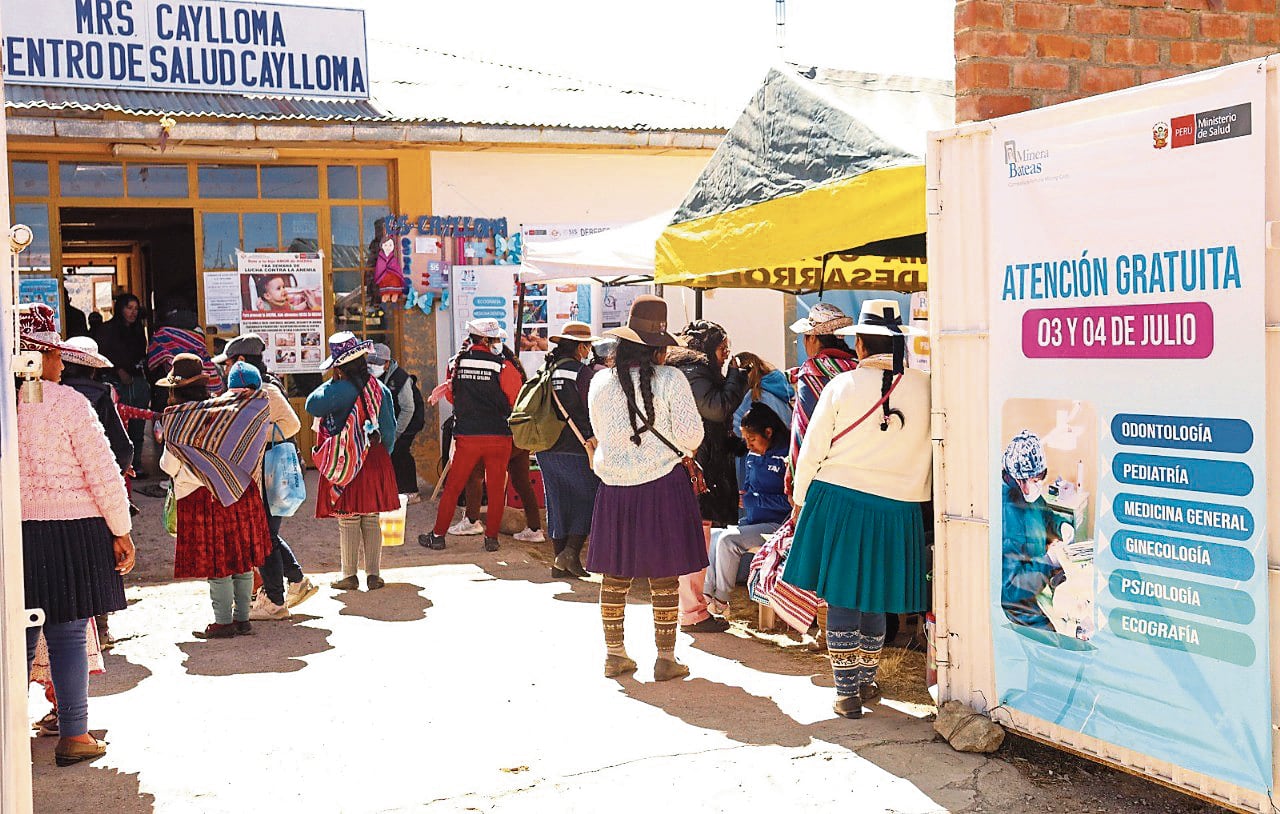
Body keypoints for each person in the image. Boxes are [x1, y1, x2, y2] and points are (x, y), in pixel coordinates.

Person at [782, 300, 931, 719]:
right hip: (897, 508)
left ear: (860, 344)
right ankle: (866, 681)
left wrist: (800, 501)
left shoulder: (841, 386)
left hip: (841, 500)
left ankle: (847, 691)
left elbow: (811, 451)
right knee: (877, 596)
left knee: (845, 595)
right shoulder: (925, 387)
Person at [16, 304, 134, 766]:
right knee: (66, 635)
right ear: (34, 356)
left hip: (17, 537)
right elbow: (104, 474)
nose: (61, 365)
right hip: (74, 534)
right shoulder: (70, 405)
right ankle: (74, 735)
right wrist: (121, 531)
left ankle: (12, 738)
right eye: (54, 355)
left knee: (18, 639)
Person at [585, 296, 706, 681]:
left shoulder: (600, 382)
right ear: (659, 345)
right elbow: (691, 437)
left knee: (614, 575)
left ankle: (614, 654)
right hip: (662, 486)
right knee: (664, 575)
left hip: (615, 486)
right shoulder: (672, 379)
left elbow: (601, 435)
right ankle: (666, 658)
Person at [750, 302, 859, 640]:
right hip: (856, 475)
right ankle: (843, 627)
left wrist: (796, 483)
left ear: (814, 338)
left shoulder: (812, 375)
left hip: (821, 479)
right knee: (845, 553)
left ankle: (825, 629)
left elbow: (803, 435)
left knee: (821, 552)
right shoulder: (857, 371)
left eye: (805, 337)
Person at [159, 356, 274, 638]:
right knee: (241, 558)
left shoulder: (177, 419)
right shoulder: (228, 410)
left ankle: (223, 622)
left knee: (217, 561)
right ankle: (242, 618)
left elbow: (169, 465)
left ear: (175, 388)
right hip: (239, 492)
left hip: (204, 499)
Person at [212, 334, 318, 620]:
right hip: (258, 477)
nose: (225, 369)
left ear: (241, 361)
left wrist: (256, 436)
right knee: (267, 535)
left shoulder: (267, 390)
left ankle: (275, 600)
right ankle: (296, 581)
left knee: (265, 537)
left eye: (229, 363)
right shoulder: (245, 390)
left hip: (269, 475)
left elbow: (292, 425)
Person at [665, 320, 749, 633]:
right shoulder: (693, 372)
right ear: (707, 348)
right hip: (694, 473)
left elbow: (710, 423)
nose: (727, 354)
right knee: (694, 543)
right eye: (722, 347)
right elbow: (715, 409)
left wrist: (734, 446)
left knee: (695, 540)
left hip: (698, 468)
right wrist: (737, 378)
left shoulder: (692, 371)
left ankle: (690, 607)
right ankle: (691, 611)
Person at [306, 333, 399, 590]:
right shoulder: (379, 389)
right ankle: (374, 574)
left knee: (348, 518)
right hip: (375, 458)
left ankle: (349, 575)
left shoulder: (334, 391)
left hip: (344, 460)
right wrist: (380, 457)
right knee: (371, 518)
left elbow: (311, 406)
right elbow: (389, 431)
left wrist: (333, 380)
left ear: (338, 366)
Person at [420, 319, 521, 553]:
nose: (499, 343)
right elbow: (514, 398)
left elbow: (452, 398)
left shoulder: (456, 363)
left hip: (467, 437)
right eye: (496, 339)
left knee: (454, 487)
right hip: (499, 436)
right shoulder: (503, 366)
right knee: (496, 489)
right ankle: (491, 539)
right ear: (486, 340)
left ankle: (437, 536)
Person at [703, 403, 791, 615]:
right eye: (745, 440)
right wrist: (745, 499)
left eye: (752, 439)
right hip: (752, 522)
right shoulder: (752, 456)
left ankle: (722, 600)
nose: (748, 445)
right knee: (711, 535)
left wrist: (757, 500)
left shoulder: (787, 455)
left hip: (779, 526)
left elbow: (792, 502)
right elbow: (751, 491)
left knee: (728, 541)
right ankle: (706, 596)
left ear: (768, 432)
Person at [457, 337, 546, 542]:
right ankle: (535, 529)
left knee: (476, 476)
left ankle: (472, 521)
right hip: (517, 436)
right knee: (522, 482)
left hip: (497, 435)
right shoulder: (515, 369)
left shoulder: (501, 369)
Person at [534, 322, 602, 579]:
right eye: (588, 346)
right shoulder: (582, 373)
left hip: (545, 447)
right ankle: (570, 553)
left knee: (557, 501)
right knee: (588, 498)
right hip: (577, 447)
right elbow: (593, 409)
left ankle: (560, 562)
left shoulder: (545, 370)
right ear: (581, 347)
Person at [1000, 429, 1066, 631]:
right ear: (1015, 478)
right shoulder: (1007, 516)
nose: (1034, 488)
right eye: (1032, 481)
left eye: (1039, 480)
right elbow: (1010, 591)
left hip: (1038, 586)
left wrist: (1061, 525)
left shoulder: (1029, 494)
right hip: (1020, 608)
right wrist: (1048, 563)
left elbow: (1044, 514)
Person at [94, 292, 149, 475]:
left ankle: (137, 464)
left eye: (135, 309)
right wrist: (118, 370)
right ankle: (121, 467)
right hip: (115, 383)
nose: (133, 313)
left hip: (137, 381)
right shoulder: (107, 329)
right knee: (117, 426)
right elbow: (103, 356)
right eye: (129, 308)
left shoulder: (138, 330)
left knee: (138, 424)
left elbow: (142, 354)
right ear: (120, 309)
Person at [60, 336, 133, 474]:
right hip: (94, 476)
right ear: (93, 371)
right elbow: (122, 448)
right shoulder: (101, 398)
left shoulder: (51, 395)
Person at [370, 343, 423, 502]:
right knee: (386, 454)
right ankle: (390, 490)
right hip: (389, 419)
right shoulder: (370, 375)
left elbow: (408, 409)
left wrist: (397, 432)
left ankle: (410, 491)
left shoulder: (401, 378)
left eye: (378, 363)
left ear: (387, 363)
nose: (373, 366)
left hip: (409, 419)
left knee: (400, 451)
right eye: (371, 362)